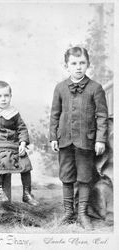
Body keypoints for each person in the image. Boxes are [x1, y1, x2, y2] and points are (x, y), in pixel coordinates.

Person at [49, 46, 108, 230]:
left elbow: (101, 116)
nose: (78, 67)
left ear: (88, 64)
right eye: (74, 63)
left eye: (82, 63)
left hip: (86, 141)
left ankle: (82, 213)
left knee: (84, 177)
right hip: (65, 140)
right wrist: (53, 137)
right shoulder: (60, 88)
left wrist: (100, 139)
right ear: (66, 66)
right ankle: (68, 212)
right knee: (66, 176)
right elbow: (55, 115)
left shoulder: (96, 88)